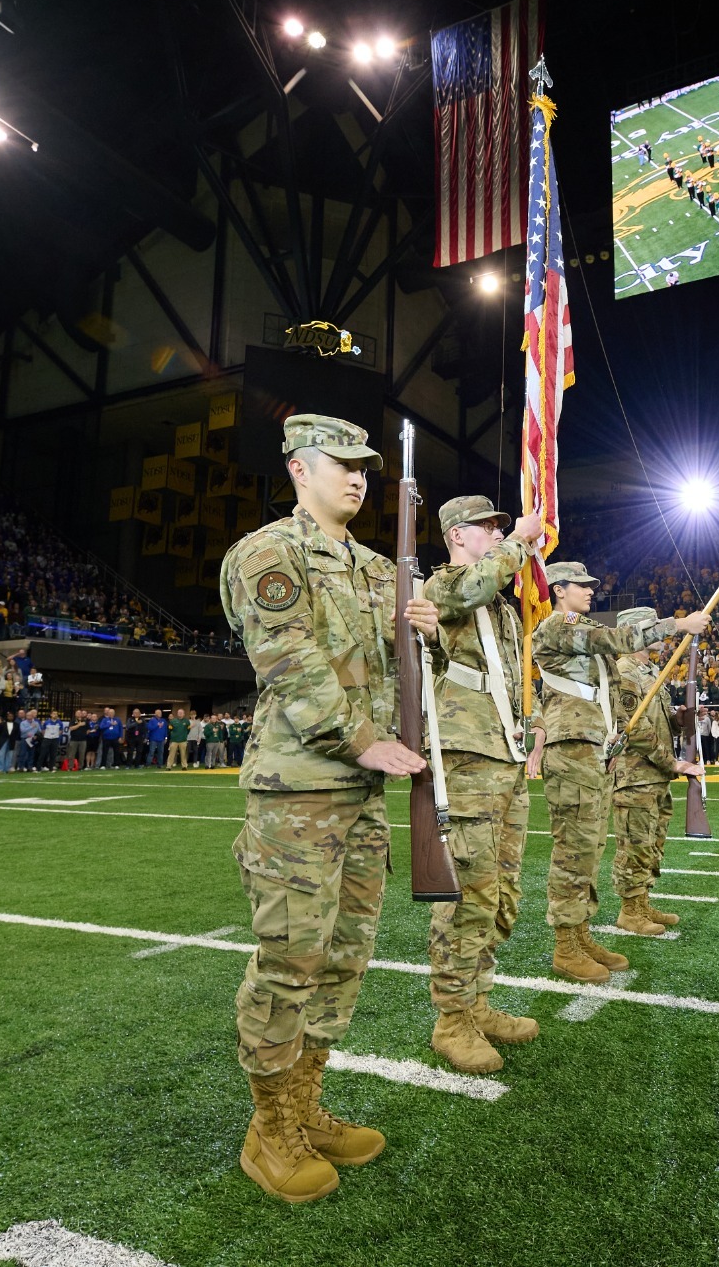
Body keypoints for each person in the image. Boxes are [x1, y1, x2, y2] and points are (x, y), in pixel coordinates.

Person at [215, 414, 440, 1205]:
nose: (358, 478)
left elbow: (402, 677)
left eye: (367, 468)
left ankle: (306, 1105)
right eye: (342, 464)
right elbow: (287, 660)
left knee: (345, 960)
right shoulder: (268, 554)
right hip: (299, 790)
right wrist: (361, 740)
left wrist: (427, 634)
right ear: (299, 467)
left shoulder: (384, 571)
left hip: (363, 797)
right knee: (290, 960)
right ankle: (269, 1127)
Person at [527, 561, 705, 984]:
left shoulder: (581, 632)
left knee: (588, 848)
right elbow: (615, 639)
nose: (591, 591)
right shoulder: (557, 626)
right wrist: (678, 624)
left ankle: (581, 934)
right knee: (574, 850)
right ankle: (566, 946)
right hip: (570, 749)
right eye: (581, 586)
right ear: (558, 589)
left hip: (590, 748)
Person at [419, 494, 545, 1075]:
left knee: (503, 891)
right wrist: (520, 541)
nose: (496, 534)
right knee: (468, 893)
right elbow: (473, 587)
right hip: (465, 757)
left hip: (505, 755)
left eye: (499, 527)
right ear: (456, 536)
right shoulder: (443, 585)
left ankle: (479, 1002)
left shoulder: (499, 606)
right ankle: (451, 1019)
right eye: (487, 528)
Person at [609, 608, 704, 938]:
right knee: (635, 844)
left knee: (652, 844)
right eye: (652, 629)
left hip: (653, 776)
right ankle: (629, 911)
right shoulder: (625, 672)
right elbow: (634, 730)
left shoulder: (649, 672)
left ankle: (643, 901)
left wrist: (680, 720)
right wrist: (673, 762)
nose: (662, 637)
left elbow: (659, 723)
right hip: (634, 776)